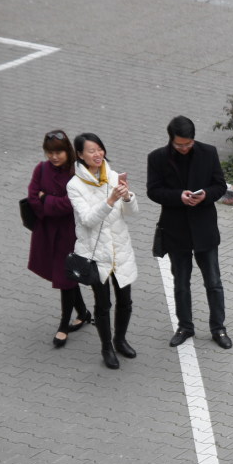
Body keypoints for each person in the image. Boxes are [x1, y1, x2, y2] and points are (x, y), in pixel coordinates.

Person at [146, 115, 231, 348]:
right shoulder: (157, 158)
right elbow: (153, 191)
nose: (184, 148)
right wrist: (178, 196)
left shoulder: (208, 153)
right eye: (179, 144)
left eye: (188, 144)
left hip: (204, 228)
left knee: (213, 282)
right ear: (171, 139)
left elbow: (220, 185)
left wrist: (205, 195)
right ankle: (185, 327)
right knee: (181, 282)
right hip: (176, 230)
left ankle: (218, 328)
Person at [67, 132, 139, 369]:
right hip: (95, 254)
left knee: (125, 301)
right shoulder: (74, 185)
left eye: (99, 149)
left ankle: (120, 340)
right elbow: (87, 220)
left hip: (120, 249)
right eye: (91, 151)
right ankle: (106, 347)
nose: (97, 154)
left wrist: (127, 197)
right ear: (80, 155)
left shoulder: (114, 176)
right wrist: (109, 201)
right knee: (103, 304)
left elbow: (131, 214)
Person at [27, 129, 91, 348]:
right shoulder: (41, 169)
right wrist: (52, 203)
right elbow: (33, 197)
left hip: (69, 235)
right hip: (48, 233)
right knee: (67, 277)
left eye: (58, 152)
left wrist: (48, 201)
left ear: (68, 151)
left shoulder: (77, 172)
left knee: (65, 280)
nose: (54, 157)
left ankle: (64, 325)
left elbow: (70, 204)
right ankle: (83, 313)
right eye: (49, 152)